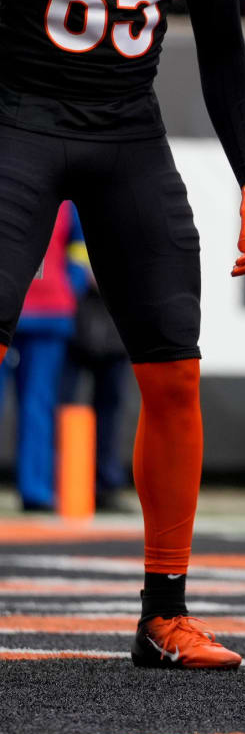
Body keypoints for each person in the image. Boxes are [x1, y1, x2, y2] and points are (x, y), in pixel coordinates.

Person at [0, 0, 245, 667]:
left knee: (174, 369)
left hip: (125, 125)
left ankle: (165, 609)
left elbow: (216, 33)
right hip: (19, 115)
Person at [1, 203, 87, 510]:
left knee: (38, 405)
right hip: (9, 308)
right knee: (37, 404)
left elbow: (80, 244)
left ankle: (36, 492)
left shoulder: (67, 197)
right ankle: (36, 490)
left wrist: (70, 284)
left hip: (49, 313)